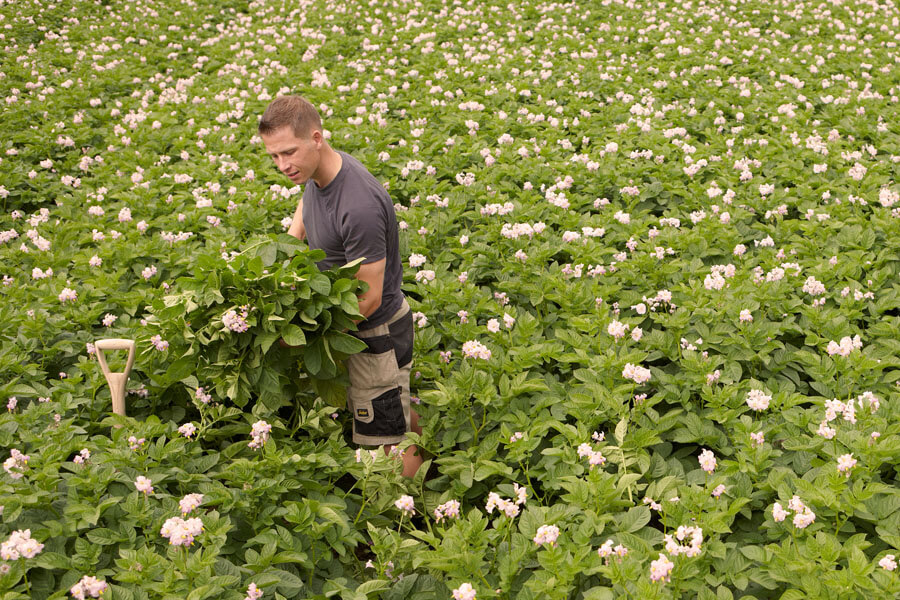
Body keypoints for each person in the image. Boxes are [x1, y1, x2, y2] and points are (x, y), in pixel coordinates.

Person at [258, 95, 423, 477]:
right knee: (391, 411)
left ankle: (409, 516)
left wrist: (304, 336)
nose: (283, 166)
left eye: (288, 153)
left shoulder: (358, 205)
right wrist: (289, 244)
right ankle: (423, 457)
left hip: (374, 333)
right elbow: (307, 201)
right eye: (274, 157)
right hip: (362, 330)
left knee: (386, 439)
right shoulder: (321, 170)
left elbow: (367, 298)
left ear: (316, 137)